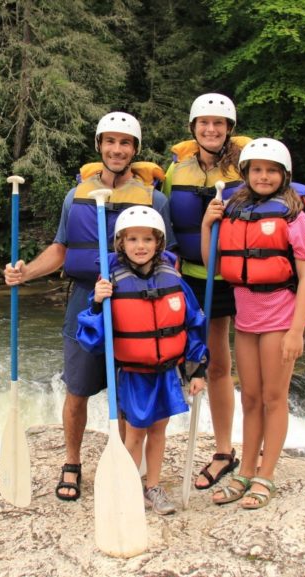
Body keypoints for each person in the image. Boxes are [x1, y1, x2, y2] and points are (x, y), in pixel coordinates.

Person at [3, 112, 175, 501]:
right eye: (110, 142)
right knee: (77, 389)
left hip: (136, 303)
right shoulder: (75, 195)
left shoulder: (155, 200)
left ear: (135, 150)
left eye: (125, 143)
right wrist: (25, 272)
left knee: (130, 389)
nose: (117, 149)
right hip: (85, 298)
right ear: (99, 146)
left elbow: (169, 256)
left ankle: (129, 469)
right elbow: (61, 249)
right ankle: (72, 461)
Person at [200, 137, 305, 509]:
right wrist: (207, 225)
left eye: (271, 170)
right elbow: (212, 266)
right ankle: (245, 470)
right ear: (246, 173)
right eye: (256, 169)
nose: (263, 176)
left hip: (281, 315)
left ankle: (266, 474)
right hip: (246, 318)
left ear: (283, 175)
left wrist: (297, 330)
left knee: (272, 397)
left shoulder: (293, 215)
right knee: (249, 397)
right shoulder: (234, 211)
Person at [75, 205, 208, 515]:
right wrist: (97, 302)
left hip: (166, 372)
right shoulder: (110, 282)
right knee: (135, 432)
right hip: (134, 374)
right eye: (132, 239)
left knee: (159, 430)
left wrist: (197, 369)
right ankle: (128, 484)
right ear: (121, 243)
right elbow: (91, 336)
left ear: (159, 243)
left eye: (148, 239)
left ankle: (153, 486)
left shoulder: (172, 278)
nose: (140, 246)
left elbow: (194, 324)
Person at [163, 93, 252, 490]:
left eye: (219, 123)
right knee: (183, 356)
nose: (211, 129)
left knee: (219, 361)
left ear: (229, 128)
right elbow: (162, 221)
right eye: (204, 123)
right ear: (193, 128)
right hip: (189, 276)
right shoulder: (176, 170)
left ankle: (223, 451)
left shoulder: (247, 169)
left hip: (230, 276)